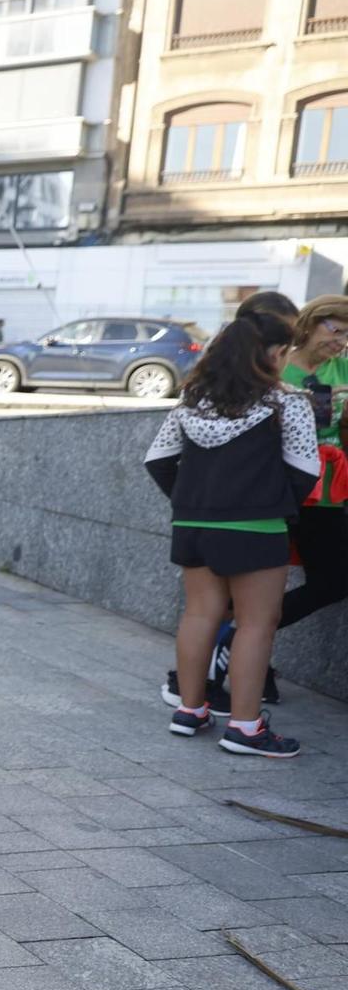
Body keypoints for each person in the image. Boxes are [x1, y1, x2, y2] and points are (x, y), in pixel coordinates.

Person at [146, 306, 316, 758]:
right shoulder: (287, 401)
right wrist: (274, 505)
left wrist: (193, 503)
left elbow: (157, 460)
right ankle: (244, 726)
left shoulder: (192, 401)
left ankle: (189, 710)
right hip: (256, 527)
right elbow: (305, 471)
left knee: (200, 614)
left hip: (193, 524)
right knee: (257, 623)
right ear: (277, 353)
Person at [277, 296, 348, 634]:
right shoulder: (277, 365)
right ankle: (243, 649)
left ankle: (235, 631)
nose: (340, 341)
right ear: (310, 323)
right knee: (257, 582)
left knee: (334, 582)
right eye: (336, 330)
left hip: (330, 492)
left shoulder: (343, 367)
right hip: (283, 486)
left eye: (347, 335)